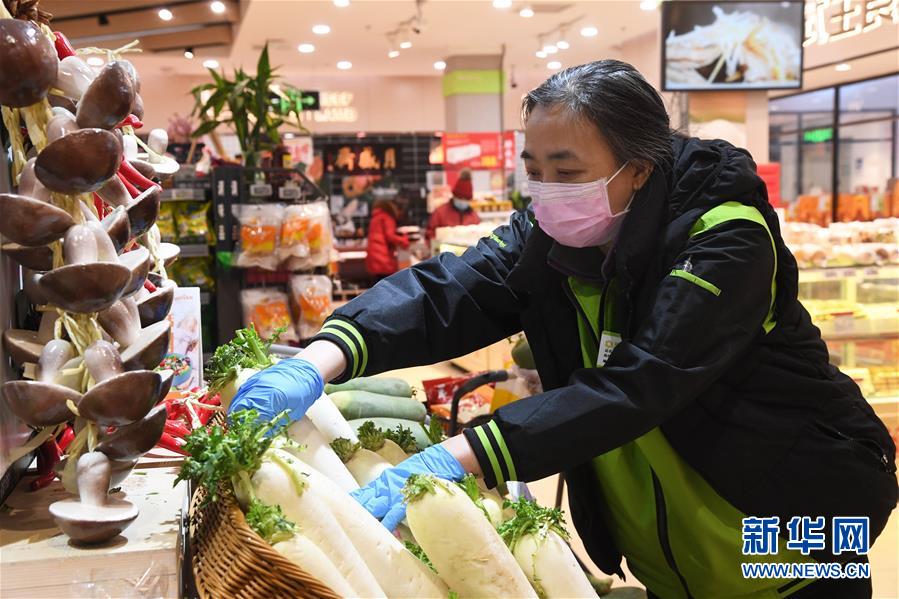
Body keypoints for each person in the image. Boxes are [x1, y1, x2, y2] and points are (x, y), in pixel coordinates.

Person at [229, 61, 897, 598]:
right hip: (678, 556)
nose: (546, 190)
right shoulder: (553, 232)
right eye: (535, 170)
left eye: (568, 171)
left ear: (639, 167)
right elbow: (449, 290)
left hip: (791, 530)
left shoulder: (724, 238)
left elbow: (643, 382)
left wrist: (461, 455)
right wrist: (318, 358)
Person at [425, 168, 481, 241]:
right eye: (460, 197)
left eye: (466, 199)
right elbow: (429, 234)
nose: (462, 201)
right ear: (454, 196)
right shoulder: (440, 213)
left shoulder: (474, 217)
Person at [364, 198, 409, 281]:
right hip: (383, 257)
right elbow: (390, 236)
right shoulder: (387, 218)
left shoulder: (375, 218)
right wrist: (404, 240)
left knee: (378, 283)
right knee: (388, 283)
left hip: (374, 256)